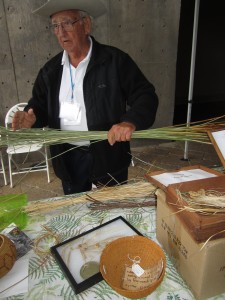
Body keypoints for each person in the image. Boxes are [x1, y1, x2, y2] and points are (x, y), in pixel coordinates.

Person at [12, 0, 158, 195]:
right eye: (55, 26)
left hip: (108, 153)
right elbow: (39, 105)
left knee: (111, 209)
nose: (61, 32)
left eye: (67, 23)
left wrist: (130, 122)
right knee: (77, 212)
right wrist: (32, 117)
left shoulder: (114, 61)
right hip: (68, 157)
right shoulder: (51, 71)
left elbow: (145, 96)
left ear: (86, 24)